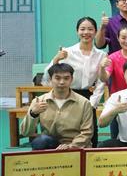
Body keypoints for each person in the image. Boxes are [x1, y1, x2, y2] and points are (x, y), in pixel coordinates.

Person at [43, 17, 106, 146]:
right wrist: (56, 60)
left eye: (90, 29)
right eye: (82, 29)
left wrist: (92, 103)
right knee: (65, 131)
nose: (86, 32)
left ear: (95, 32)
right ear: (77, 31)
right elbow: (47, 77)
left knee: (90, 135)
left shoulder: (101, 55)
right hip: (67, 95)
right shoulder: (67, 52)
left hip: (88, 97)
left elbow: (101, 82)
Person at [22, 63, 94, 150]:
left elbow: (87, 132)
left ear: (71, 79)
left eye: (66, 78)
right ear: (50, 79)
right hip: (50, 144)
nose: (62, 82)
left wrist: (71, 146)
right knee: (40, 141)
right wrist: (33, 114)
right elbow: (25, 132)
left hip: (75, 146)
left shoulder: (84, 103)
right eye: (57, 78)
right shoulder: (39, 101)